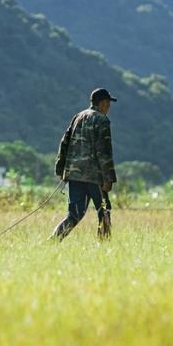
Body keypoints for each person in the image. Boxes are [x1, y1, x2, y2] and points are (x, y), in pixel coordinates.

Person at [50, 87, 117, 241]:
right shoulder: (102, 120)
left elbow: (64, 143)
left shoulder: (78, 117)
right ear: (103, 103)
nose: (109, 107)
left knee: (74, 214)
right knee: (104, 212)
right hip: (95, 177)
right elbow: (104, 151)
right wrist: (108, 178)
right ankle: (104, 246)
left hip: (74, 175)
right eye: (108, 103)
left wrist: (62, 171)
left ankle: (53, 241)